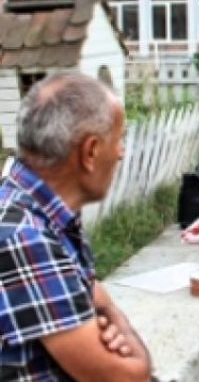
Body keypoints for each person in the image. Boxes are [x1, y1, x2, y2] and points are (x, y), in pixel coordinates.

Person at [0, 72, 152, 381]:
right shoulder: (24, 237)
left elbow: (95, 295)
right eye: (119, 139)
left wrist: (106, 307)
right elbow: (124, 377)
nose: (121, 152)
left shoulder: (39, 209)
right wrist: (132, 344)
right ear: (91, 151)